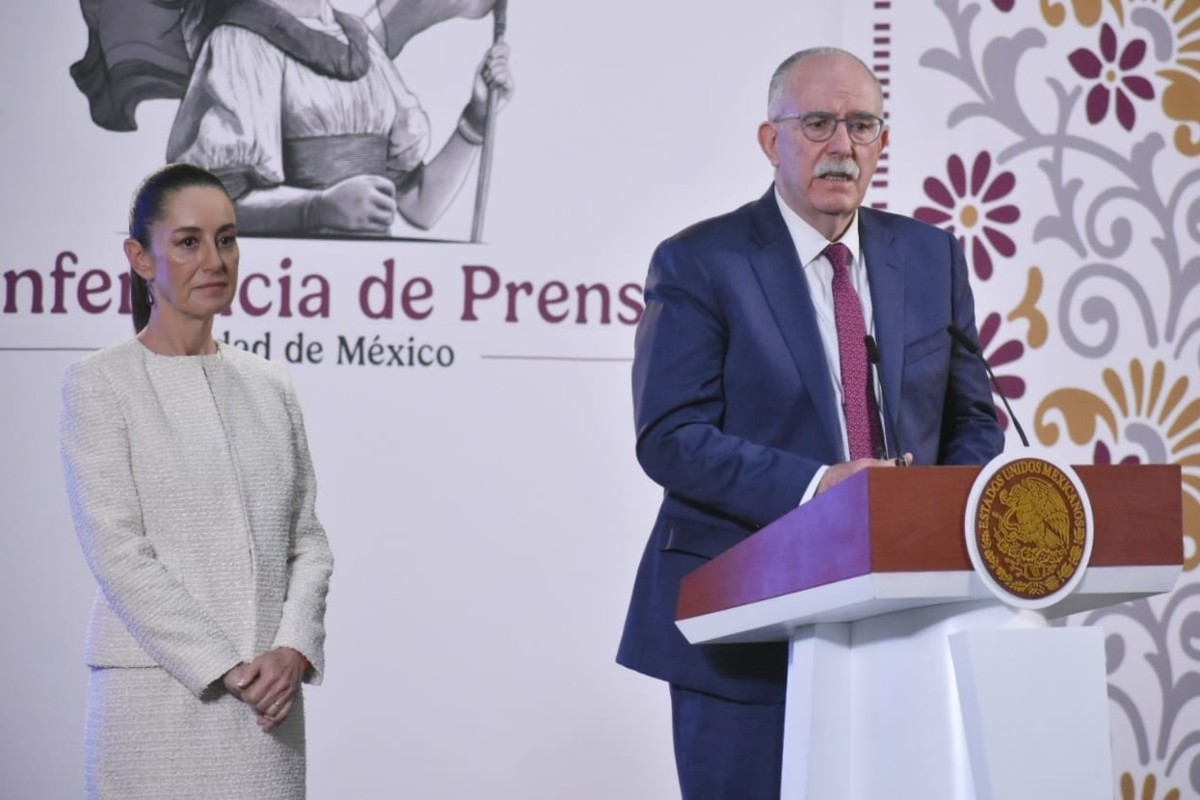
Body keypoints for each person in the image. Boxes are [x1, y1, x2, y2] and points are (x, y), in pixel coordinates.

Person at [616, 47, 1004, 799]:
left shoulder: (929, 257)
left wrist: (932, 509)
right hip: (746, 626)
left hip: (908, 618)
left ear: (882, 142)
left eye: (862, 125)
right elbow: (670, 435)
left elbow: (971, 418)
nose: (842, 146)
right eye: (819, 123)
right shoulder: (701, 261)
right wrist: (820, 485)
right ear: (772, 141)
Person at [59, 163, 334, 799]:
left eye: (227, 239)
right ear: (141, 258)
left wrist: (292, 648)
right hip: (155, 701)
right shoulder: (99, 384)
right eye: (189, 242)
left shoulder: (270, 385)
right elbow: (118, 554)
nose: (215, 259)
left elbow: (308, 541)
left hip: (269, 711)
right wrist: (227, 667)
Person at [164, 0, 514, 236]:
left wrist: (476, 120)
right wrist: (318, 208)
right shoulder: (239, 42)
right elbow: (208, 208)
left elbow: (419, 206)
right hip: (292, 289)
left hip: (374, 286)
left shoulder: (360, 42)